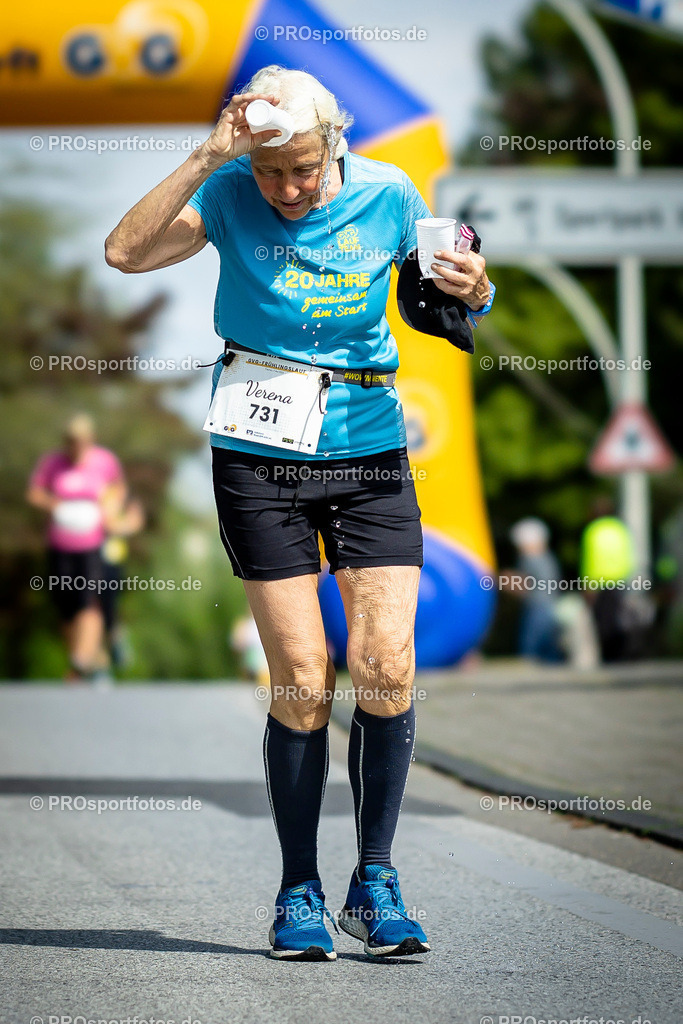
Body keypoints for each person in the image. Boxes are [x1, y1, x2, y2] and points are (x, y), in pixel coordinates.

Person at [105, 65, 494, 961]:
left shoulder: (389, 192)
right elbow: (125, 254)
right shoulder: (231, 191)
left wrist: (474, 288)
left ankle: (376, 879)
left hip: (368, 446)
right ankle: (297, 891)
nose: (287, 189)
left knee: (387, 662)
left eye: (304, 170)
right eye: (274, 170)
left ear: (336, 147)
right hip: (258, 451)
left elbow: (453, 292)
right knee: (303, 676)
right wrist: (213, 152)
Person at [27, 414, 125, 680]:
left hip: (92, 545)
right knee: (66, 606)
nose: (76, 445)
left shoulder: (104, 461)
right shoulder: (52, 463)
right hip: (60, 545)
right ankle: (86, 659)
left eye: (81, 440)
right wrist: (55, 505)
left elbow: (117, 490)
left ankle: (80, 662)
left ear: (89, 440)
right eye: (71, 440)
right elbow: (34, 493)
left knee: (89, 601)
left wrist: (110, 510)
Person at [509, 517, 564, 663]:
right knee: (549, 650)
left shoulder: (530, 559)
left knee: (530, 649)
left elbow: (522, 585)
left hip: (537, 607)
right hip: (551, 605)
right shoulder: (549, 558)